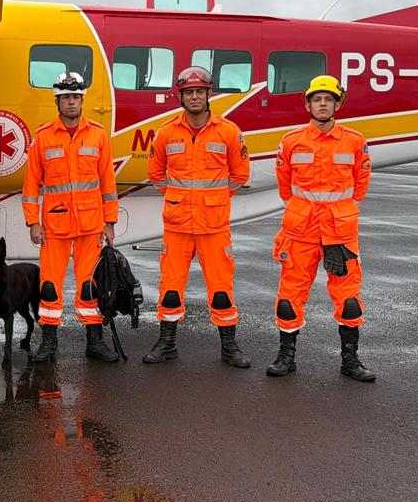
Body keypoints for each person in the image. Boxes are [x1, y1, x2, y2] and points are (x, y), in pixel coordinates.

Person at [268, 75, 376, 382]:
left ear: (338, 103)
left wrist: (335, 213)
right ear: (307, 104)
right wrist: (307, 211)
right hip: (300, 231)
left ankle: (350, 360)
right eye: (317, 99)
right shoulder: (291, 142)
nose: (323, 104)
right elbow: (285, 188)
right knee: (289, 297)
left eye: (329, 99)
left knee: (349, 299)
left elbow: (360, 187)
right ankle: (286, 357)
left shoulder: (355, 141)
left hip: (339, 232)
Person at [143, 66, 252, 368]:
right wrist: (181, 199)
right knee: (170, 288)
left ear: (208, 95)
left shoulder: (228, 132)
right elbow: (155, 175)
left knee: (220, 289)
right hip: (177, 225)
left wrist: (212, 200)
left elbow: (240, 174)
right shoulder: (166, 133)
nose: (194, 97)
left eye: (199, 92)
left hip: (214, 226)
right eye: (189, 92)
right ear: (181, 96)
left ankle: (229, 347)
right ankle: (167, 344)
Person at [20, 72, 120, 363]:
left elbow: (107, 184)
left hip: (91, 225)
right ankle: (49, 342)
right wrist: (33, 222)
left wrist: (110, 222)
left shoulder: (98, 135)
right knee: (49, 286)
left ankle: (95, 341)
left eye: (76, 97)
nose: (72, 103)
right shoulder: (43, 138)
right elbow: (31, 186)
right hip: (55, 225)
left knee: (90, 284)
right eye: (66, 98)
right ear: (58, 101)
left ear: (82, 100)